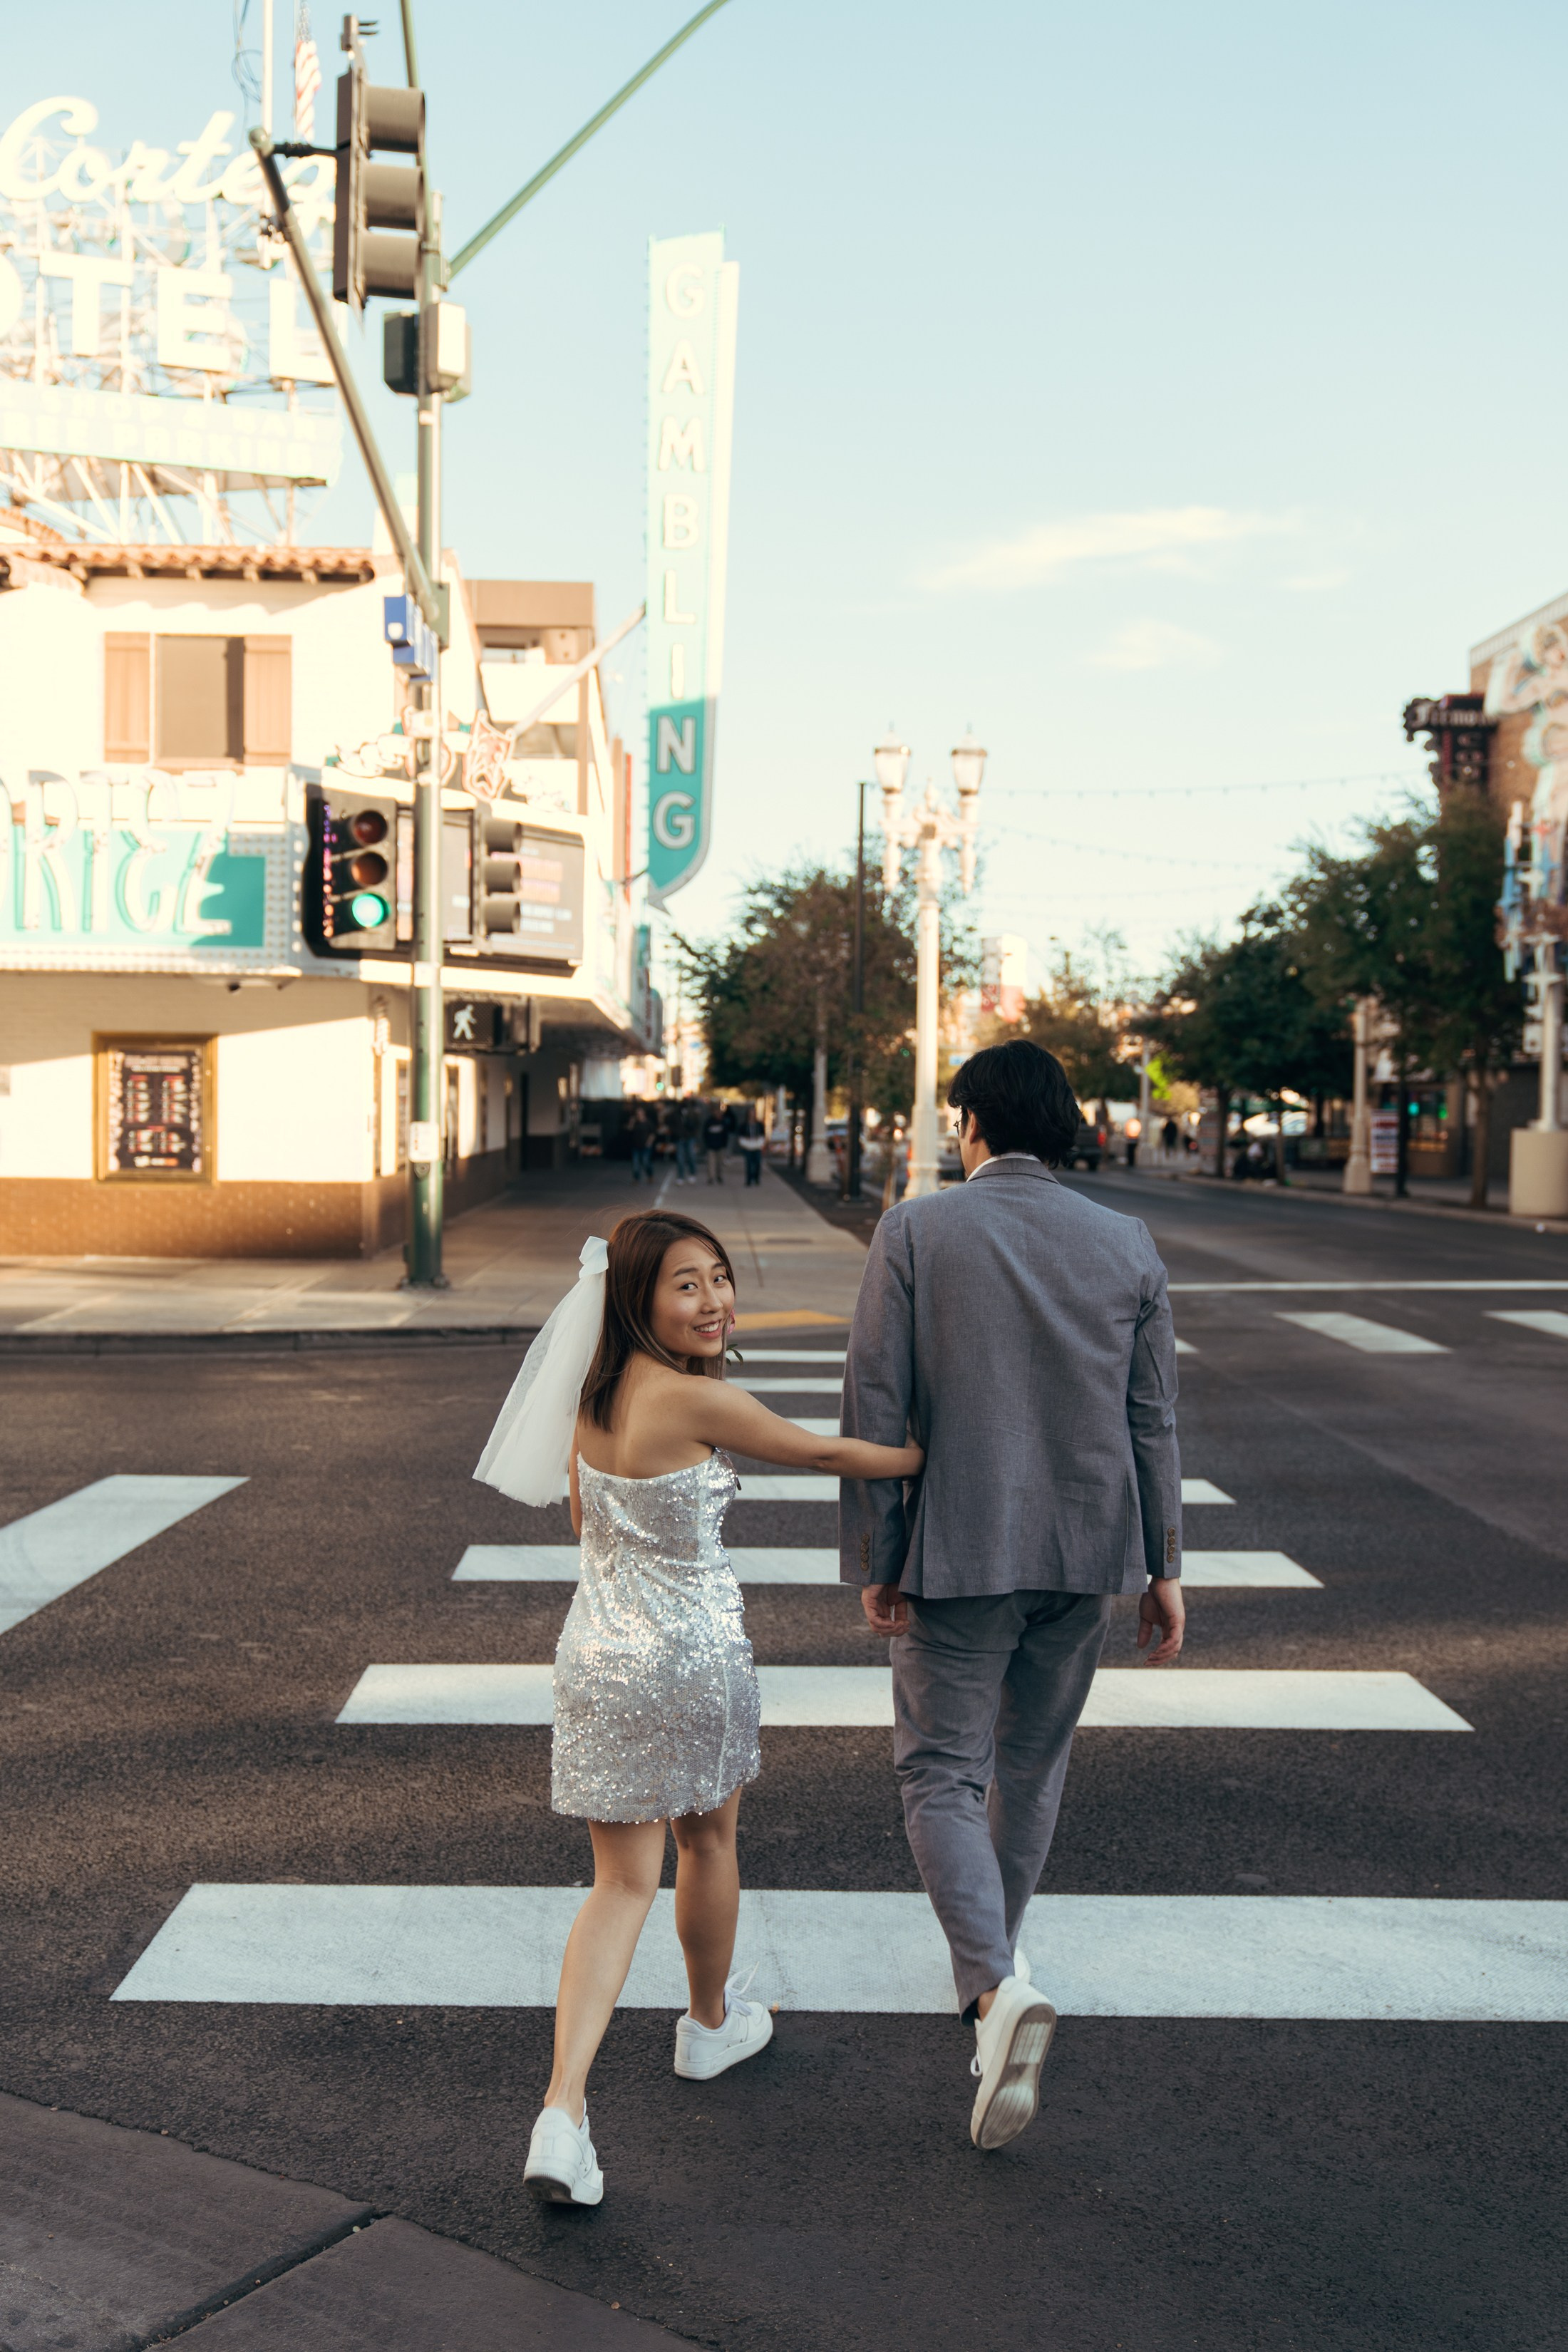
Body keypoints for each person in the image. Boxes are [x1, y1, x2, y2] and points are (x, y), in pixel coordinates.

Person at [475, 1212, 923, 2207]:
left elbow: (586, 1529)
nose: (715, 1299)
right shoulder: (695, 1398)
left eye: (719, 1277)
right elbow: (820, 1455)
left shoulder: (591, 1402)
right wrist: (922, 1457)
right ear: (637, 1298)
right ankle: (709, 2026)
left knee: (617, 1885)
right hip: (691, 1657)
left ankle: (563, 2110)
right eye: (687, 1284)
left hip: (597, 1655)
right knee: (708, 1842)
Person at [839, 1038, 1183, 2155]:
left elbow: (875, 1404)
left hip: (960, 1546)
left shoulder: (916, 1232)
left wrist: (879, 1555)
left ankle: (993, 1991)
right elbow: (1151, 1418)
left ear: (972, 1125)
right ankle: (998, 1978)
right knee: (1031, 1768)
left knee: (940, 1773)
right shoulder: (1126, 1241)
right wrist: (1165, 1564)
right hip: (1088, 1549)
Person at [674, 1098, 701, 1186]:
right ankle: (681, 1176)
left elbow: (696, 1125)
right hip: (680, 1138)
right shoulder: (677, 1114)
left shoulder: (692, 1114)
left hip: (690, 1138)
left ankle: (692, 1173)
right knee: (680, 1158)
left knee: (691, 1156)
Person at [625, 1105, 653, 1185]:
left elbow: (652, 1133)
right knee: (635, 1163)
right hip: (636, 1146)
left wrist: (649, 1142)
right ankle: (636, 1178)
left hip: (645, 1146)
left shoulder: (648, 1122)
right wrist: (631, 1122)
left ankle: (650, 1175)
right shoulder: (635, 1123)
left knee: (645, 1162)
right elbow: (629, 1130)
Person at [702, 1105, 729, 1184]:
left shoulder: (723, 1122)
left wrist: (724, 1144)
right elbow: (705, 1134)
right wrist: (707, 1143)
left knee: (720, 1163)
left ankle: (719, 1176)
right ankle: (711, 1177)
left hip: (720, 1146)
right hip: (711, 1146)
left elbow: (725, 1134)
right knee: (711, 1162)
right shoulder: (709, 1122)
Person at [738, 1110, 765, 1187]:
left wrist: (759, 1140)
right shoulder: (744, 1125)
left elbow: (763, 1134)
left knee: (757, 1163)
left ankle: (756, 1178)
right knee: (749, 1163)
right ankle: (749, 1179)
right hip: (748, 1146)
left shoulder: (759, 1125)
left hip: (757, 1145)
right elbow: (741, 1134)